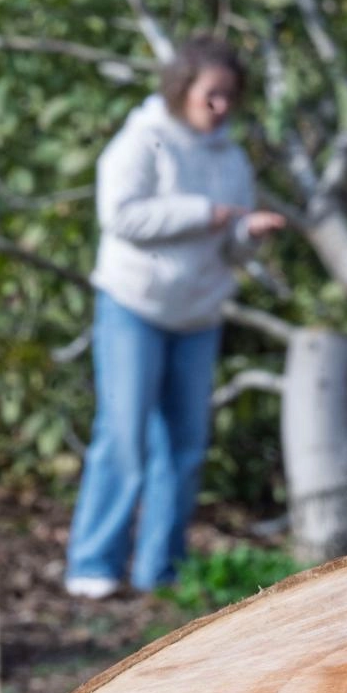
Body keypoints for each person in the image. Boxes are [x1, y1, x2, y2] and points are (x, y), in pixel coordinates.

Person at [65, 37, 285, 599]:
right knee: (123, 436)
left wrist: (246, 235)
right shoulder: (142, 141)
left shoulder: (231, 158)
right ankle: (93, 564)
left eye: (230, 97)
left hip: (197, 315)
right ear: (183, 88)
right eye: (211, 95)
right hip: (133, 308)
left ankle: (161, 569)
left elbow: (229, 244)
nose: (221, 107)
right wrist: (203, 213)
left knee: (184, 446)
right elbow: (120, 216)